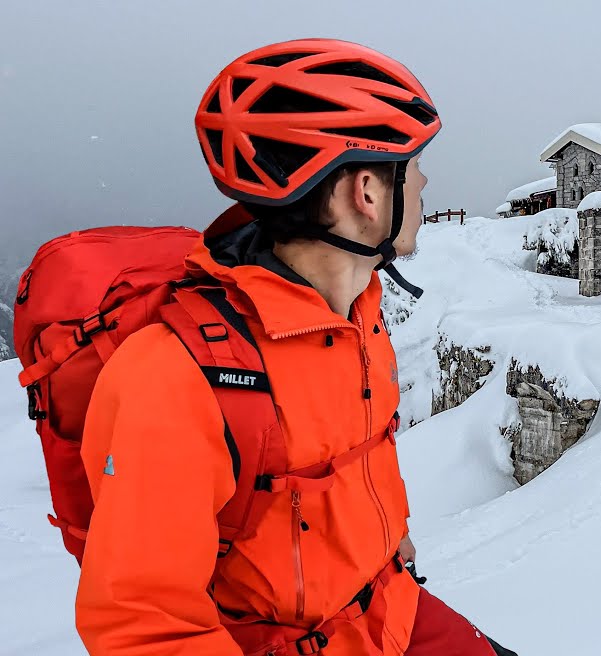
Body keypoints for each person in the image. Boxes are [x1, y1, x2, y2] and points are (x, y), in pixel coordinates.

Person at [75, 39, 514, 655]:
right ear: (366, 192)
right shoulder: (178, 375)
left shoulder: (359, 311)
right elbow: (143, 627)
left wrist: (386, 538)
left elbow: (353, 455)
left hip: (390, 610)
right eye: (412, 164)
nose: (425, 179)